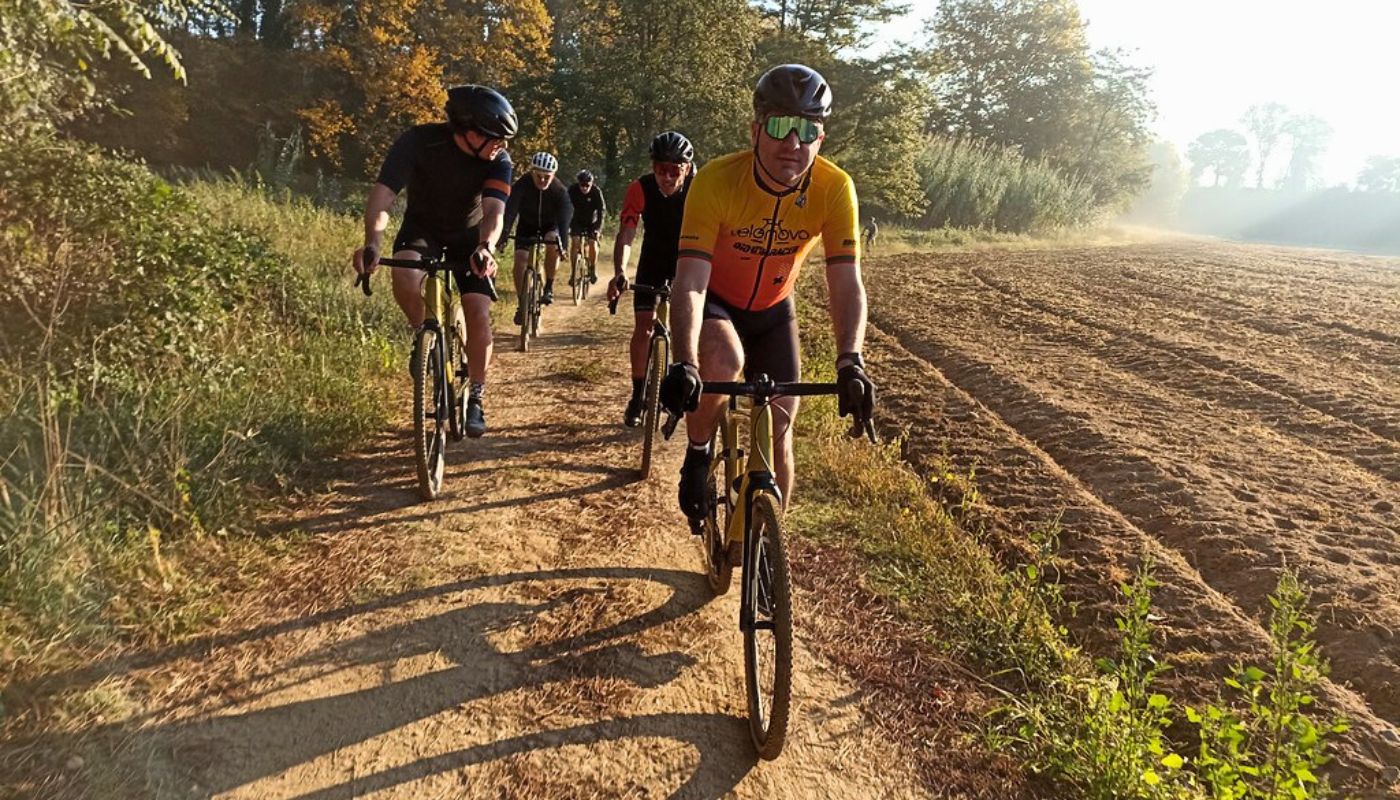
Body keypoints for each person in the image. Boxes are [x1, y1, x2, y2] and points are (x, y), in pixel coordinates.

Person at [659, 64, 876, 523]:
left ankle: (767, 554)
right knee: (722, 358)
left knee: (779, 431)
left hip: (775, 311)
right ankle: (698, 454)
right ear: (756, 130)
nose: (792, 143)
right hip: (718, 302)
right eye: (779, 126)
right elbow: (692, 280)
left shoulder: (835, 188)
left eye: (806, 129)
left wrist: (851, 360)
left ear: (821, 137)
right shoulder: (716, 181)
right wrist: (685, 361)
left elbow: (845, 280)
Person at [352, 84, 516, 438]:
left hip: (470, 237)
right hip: (422, 228)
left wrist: (486, 247)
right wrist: (372, 243)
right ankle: (423, 335)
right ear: (471, 134)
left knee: (478, 309)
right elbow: (383, 197)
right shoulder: (417, 142)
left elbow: (494, 211)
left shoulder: (499, 160)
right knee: (405, 278)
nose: (503, 147)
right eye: (497, 138)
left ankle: (476, 395)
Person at [606, 131, 696, 426]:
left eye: (674, 171)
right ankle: (637, 395)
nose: (667, 178)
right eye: (660, 170)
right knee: (644, 327)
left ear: (686, 169)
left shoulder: (699, 188)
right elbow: (628, 233)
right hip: (653, 260)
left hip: (689, 260)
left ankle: (684, 387)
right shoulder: (640, 188)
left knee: (691, 329)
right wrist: (620, 270)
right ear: (653, 167)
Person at [501, 152, 572, 322]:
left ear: (553, 175)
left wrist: (564, 245)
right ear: (532, 172)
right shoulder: (522, 185)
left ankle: (548, 286)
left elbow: (564, 219)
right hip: (527, 226)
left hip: (550, 226)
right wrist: (503, 235)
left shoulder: (559, 191)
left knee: (553, 242)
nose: (542, 180)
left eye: (546, 177)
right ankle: (522, 303)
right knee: (520, 259)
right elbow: (510, 211)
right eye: (538, 176)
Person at [568, 169, 606, 285]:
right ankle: (574, 272)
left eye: (587, 185)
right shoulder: (572, 190)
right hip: (577, 221)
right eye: (582, 185)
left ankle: (592, 269)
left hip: (592, 222)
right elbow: (564, 207)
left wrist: (598, 230)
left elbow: (601, 212)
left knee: (592, 243)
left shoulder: (596, 192)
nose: (584, 188)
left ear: (591, 184)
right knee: (575, 242)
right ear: (578, 183)